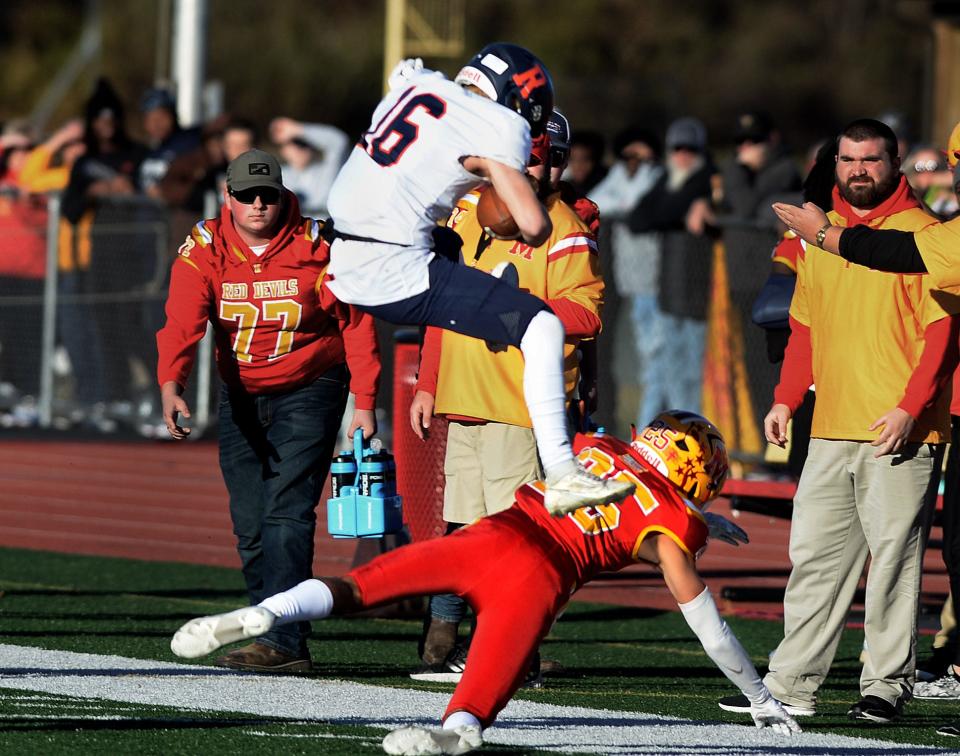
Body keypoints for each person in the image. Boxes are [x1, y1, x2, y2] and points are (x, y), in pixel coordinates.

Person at [171, 412, 800, 755]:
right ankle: (456, 728)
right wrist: (759, 696)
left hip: (489, 535)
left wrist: (697, 520)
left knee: (359, 587)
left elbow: (631, 493)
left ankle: (269, 611)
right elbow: (707, 625)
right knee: (481, 695)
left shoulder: (603, 445)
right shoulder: (670, 526)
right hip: (537, 575)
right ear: (696, 474)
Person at [323, 44, 633, 515]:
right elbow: (533, 225)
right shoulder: (500, 126)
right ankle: (565, 473)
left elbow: (402, 76)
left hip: (345, 253)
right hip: (394, 264)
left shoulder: (418, 85)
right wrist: (492, 168)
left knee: (452, 252)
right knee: (541, 325)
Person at [720, 118, 959, 725]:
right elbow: (805, 325)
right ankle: (792, 684)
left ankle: (885, 685)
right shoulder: (818, 233)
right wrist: (785, 397)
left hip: (896, 431)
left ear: (894, 164)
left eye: (871, 160)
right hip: (829, 426)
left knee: (893, 568)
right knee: (814, 563)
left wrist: (912, 407)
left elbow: (943, 335)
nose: (857, 170)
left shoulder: (925, 234)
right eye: (848, 160)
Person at [156, 148, 381, 672]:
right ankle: (265, 619)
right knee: (250, 520)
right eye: (247, 195)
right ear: (227, 198)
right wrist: (172, 383)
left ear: (283, 195)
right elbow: (182, 320)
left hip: (311, 382)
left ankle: (284, 640)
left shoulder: (318, 244)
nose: (259, 204)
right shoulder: (205, 247)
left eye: (268, 195)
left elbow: (357, 322)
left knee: (287, 510)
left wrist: (365, 401)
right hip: (240, 392)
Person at [408, 119, 604, 678]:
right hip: (465, 393)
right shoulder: (469, 209)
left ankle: (514, 650)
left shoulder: (565, 227)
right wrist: (429, 380)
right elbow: (440, 296)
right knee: (461, 527)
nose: (543, 170)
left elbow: (587, 313)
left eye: (554, 159)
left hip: (519, 404)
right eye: (535, 157)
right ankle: (443, 638)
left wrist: (513, 310)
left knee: (511, 535)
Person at [627, 116, 715, 415]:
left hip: (699, 297)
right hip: (668, 293)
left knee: (693, 375)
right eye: (677, 148)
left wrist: (668, 211)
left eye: (690, 148)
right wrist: (674, 213)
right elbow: (637, 218)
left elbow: (661, 210)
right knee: (668, 373)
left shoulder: (708, 179)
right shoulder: (668, 178)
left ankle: (696, 436)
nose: (683, 154)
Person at [589, 125, 664, 427]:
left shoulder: (657, 176)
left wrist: (624, 205)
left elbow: (639, 203)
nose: (634, 161)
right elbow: (597, 202)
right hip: (626, 281)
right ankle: (647, 423)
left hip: (655, 282)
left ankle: (651, 424)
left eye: (640, 155)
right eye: (628, 155)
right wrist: (624, 205)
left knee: (654, 356)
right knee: (638, 357)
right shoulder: (618, 176)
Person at [270, 116, 350, 217]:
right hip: (293, 229)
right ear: (283, 150)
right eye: (294, 142)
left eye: (303, 143)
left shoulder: (327, 171)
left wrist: (298, 130)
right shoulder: (276, 175)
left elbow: (339, 142)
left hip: (325, 227)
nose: (299, 148)